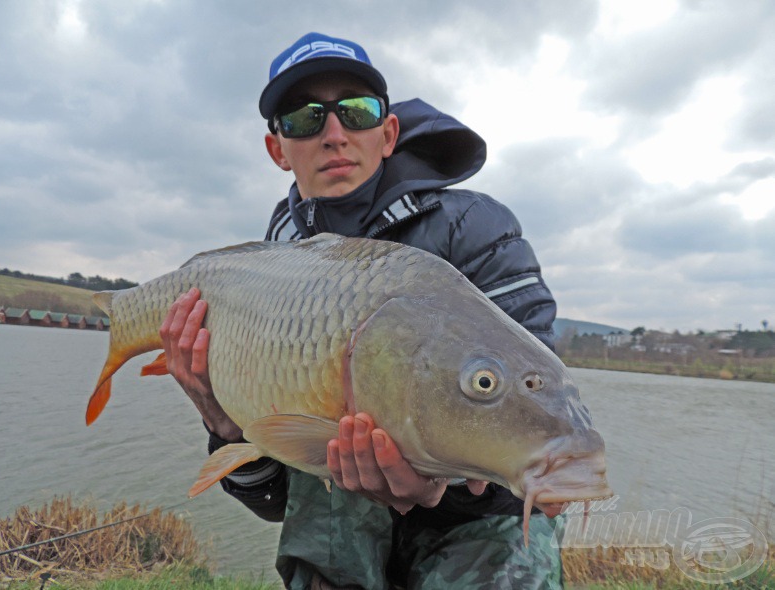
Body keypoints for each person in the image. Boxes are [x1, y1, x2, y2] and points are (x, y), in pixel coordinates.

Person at [160, 32, 563, 589]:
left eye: (356, 111)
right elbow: (276, 501)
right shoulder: (268, 268)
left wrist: (435, 486)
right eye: (303, 119)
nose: (333, 134)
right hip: (335, 531)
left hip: (479, 530)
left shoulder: (478, 231)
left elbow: (541, 418)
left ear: (388, 131)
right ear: (278, 149)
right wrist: (223, 425)